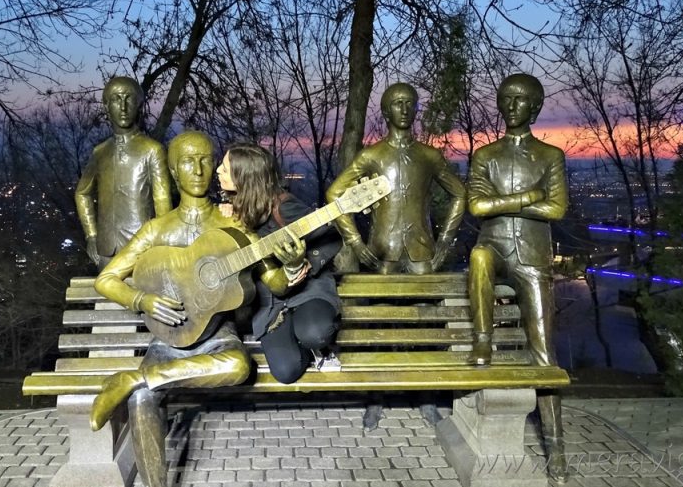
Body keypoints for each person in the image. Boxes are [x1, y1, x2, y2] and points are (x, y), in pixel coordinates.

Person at [89, 132, 301, 487]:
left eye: (206, 159)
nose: (200, 169)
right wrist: (143, 301)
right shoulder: (157, 230)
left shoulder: (233, 226)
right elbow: (106, 279)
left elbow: (273, 281)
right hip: (167, 341)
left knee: (238, 365)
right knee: (142, 402)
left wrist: (292, 266)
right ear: (173, 170)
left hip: (217, 338)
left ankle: (133, 378)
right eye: (188, 160)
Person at [466, 73, 568, 482]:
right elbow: (476, 206)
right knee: (477, 257)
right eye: (506, 98)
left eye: (521, 99)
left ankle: (556, 446)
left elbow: (558, 209)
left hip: (531, 255)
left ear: (536, 107)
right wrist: (529, 198)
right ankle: (483, 340)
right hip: (493, 247)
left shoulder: (550, 155)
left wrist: (502, 204)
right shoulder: (485, 154)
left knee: (545, 353)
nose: (512, 105)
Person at [217, 143, 343, 383]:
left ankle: (320, 348)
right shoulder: (232, 209)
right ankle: (302, 347)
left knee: (314, 334)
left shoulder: (283, 206)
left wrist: (307, 263)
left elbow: (332, 236)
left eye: (224, 168)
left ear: (244, 176)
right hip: (270, 303)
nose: (217, 171)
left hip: (308, 291)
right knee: (286, 372)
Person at [327, 82, 466, 274]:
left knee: (426, 303)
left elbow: (460, 194)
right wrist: (356, 242)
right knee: (382, 304)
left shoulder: (429, 155)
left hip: (422, 252)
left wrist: (444, 240)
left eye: (409, 103)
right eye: (397, 103)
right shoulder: (371, 155)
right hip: (382, 252)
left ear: (417, 109)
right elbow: (334, 194)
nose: (404, 109)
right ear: (385, 111)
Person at [75, 76, 172, 269]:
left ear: (139, 104)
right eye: (116, 99)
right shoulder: (100, 152)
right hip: (106, 251)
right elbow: (82, 192)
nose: (123, 106)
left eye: (129, 98)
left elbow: (163, 204)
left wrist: (162, 246)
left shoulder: (152, 150)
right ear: (106, 105)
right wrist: (92, 235)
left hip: (143, 249)